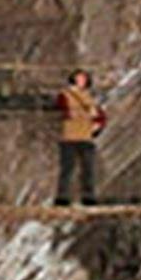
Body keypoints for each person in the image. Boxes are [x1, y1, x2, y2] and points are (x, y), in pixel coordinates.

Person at [53, 69, 105, 205]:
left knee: (88, 169)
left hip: (86, 136)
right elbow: (59, 110)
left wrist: (97, 125)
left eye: (83, 78)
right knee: (68, 169)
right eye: (79, 78)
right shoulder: (65, 95)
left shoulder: (90, 98)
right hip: (69, 136)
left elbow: (101, 116)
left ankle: (88, 196)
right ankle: (63, 197)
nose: (81, 81)